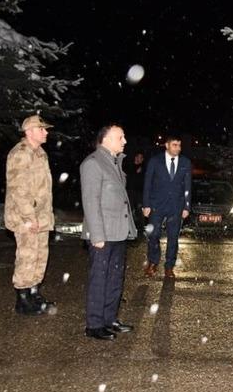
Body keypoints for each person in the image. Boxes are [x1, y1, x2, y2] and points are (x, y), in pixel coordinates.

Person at [80, 124, 137, 340]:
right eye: (120, 137)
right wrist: (97, 236)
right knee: (99, 278)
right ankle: (94, 325)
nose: (125, 141)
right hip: (102, 234)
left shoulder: (114, 162)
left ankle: (109, 319)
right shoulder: (93, 163)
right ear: (106, 140)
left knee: (115, 278)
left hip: (118, 232)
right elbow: (91, 201)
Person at [4, 115, 55, 315]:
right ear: (29, 131)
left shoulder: (40, 153)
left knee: (40, 256)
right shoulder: (20, 154)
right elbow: (18, 190)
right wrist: (29, 218)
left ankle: (34, 294)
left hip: (41, 216)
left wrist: (44, 216)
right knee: (27, 256)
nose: (46, 132)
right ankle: (23, 301)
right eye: (42, 129)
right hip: (25, 219)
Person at [142, 134, 192, 279]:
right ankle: (153, 261)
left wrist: (187, 206)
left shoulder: (185, 162)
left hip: (176, 206)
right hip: (156, 205)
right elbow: (147, 183)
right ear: (167, 145)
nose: (178, 148)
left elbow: (187, 186)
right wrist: (146, 204)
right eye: (175, 145)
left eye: (179, 145)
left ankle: (169, 266)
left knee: (173, 238)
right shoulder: (155, 161)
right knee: (153, 234)